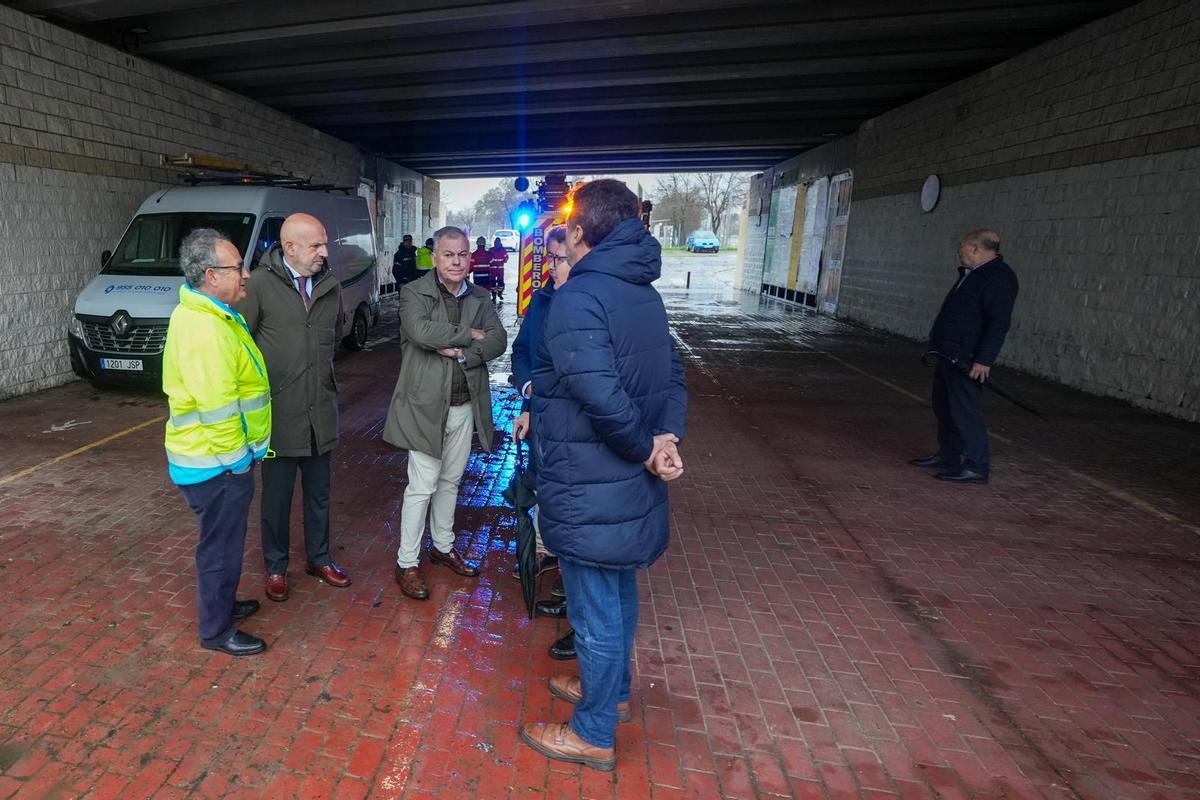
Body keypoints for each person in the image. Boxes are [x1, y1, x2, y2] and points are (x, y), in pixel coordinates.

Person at [520, 180, 687, 771]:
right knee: (616, 591)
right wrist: (666, 439)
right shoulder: (643, 292)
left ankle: (592, 732)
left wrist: (646, 448)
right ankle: (610, 696)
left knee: (593, 607)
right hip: (624, 481)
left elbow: (598, 393)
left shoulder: (580, 297)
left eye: (568, 226)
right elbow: (671, 379)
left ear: (582, 232)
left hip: (590, 479)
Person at [382, 226, 508, 601]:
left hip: (464, 403)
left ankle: (442, 546)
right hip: (425, 405)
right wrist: (470, 333)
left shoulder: (481, 295)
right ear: (434, 256)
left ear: (471, 258)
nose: (457, 261)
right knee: (422, 486)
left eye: (463, 254)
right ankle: (407, 562)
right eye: (449, 254)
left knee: (452, 481)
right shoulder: (413, 292)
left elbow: (499, 339)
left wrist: (462, 352)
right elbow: (420, 332)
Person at [163, 228, 272, 657]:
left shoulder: (210, 314)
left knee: (224, 543)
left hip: (215, 461)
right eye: (238, 267)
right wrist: (239, 462)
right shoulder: (206, 328)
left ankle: (223, 605)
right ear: (211, 275)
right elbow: (217, 407)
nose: (246, 275)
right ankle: (216, 629)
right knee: (220, 548)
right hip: (217, 464)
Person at [238, 213, 351, 603]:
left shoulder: (329, 285)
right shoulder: (260, 286)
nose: (324, 252)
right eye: (316, 245)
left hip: (319, 408)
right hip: (278, 414)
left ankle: (319, 558)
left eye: (324, 244)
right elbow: (242, 347)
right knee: (277, 498)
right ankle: (275, 566)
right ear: (289, 248)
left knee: (320, 493)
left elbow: (333, 337)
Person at [910, 228, 1019, 484]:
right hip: (948, 354)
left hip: (967, 358)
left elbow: (998, 322)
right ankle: (948, 455)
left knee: (965, 411)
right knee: (944, 406)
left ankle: (976, 466)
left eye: (962, 245)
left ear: (975, 249)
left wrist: (984, 359)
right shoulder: (973, 274)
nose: (959, 250)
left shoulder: (999, 278)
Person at [511, 227, 573, 659]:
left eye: (561, 259)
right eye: (549, 259)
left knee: (577, 516)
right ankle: (567, 588)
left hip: (576, 433)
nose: (552, 267)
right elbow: (521, 351)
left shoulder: (591, 302)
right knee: (551, 504)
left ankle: (577, 605)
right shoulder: (544, 298)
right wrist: (529, 388)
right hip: (545, 426)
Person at [489, 237, 508, 303]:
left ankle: (499, 294)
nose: (496, 244)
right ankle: (495, 295)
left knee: (500, 283)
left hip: (497, 269)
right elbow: (506, 259)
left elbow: (506, 259)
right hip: (496, 269)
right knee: (493, 283)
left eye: (496, 243)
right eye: (495, 243)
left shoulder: (491, 250)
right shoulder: (502, 250)